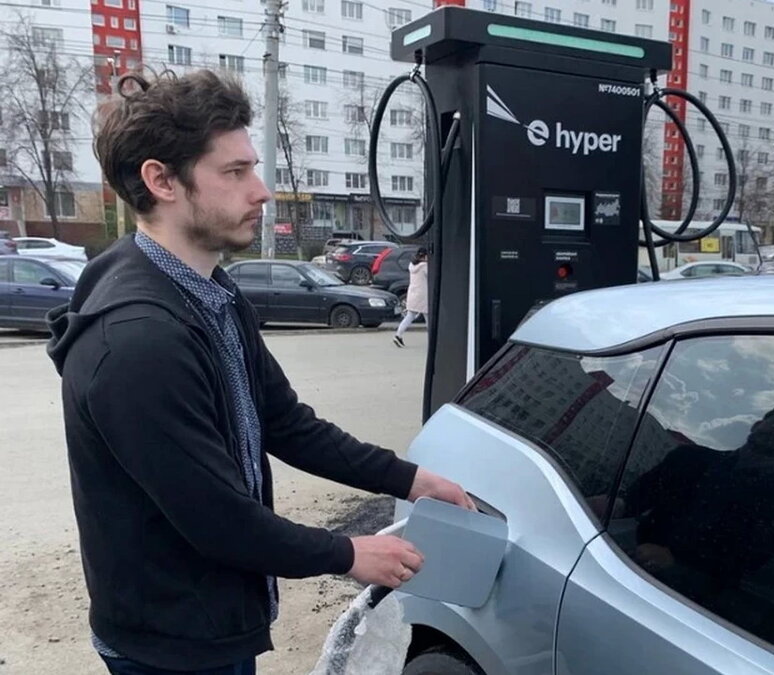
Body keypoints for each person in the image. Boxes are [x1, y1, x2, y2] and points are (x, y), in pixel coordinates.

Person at [46, 70, 473, 675]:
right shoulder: (140, 343)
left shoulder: (209, 291)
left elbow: (285, 422)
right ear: (161, 181)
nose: (262, 190)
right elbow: (219, 520)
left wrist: (411, 480)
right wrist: (348, 553)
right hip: (172, 643)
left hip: (208, 614)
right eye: (235, 172)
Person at [619, 401, 774, 600]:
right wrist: (615, 504)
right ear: (758, 424)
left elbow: (742, 563)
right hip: (620, 561)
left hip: (687, 602)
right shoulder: (689, 458)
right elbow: (634, 500)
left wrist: (674, 562)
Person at [393, 248, 428, 347]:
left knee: (410, 316)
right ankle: (432, 339)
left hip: (412, 292)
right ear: (425, 256)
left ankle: (398, 335)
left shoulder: (412, 265)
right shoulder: (424, 266)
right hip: (422, 294)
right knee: (428, 317)